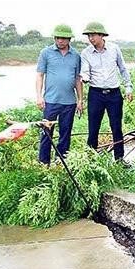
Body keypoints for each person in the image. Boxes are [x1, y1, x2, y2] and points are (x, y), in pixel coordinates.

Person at [80, 21, 133, 160]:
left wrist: (128, 87)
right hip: (95, 94)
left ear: (102, 35)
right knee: (93, 127)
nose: (91, 39)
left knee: (116, 127)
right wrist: (84, 77)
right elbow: (85, 70)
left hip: (114, 94)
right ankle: (91, 159)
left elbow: (122, 69)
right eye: (89, 36)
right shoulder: (85, 53)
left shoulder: (114, 49)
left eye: (93, 35)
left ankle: (119, 158)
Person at [35, 24, 82, 164]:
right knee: (46, 132)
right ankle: (44, 162)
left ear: (69, 39)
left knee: (65, 133)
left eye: (63, 38)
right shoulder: (46, 53)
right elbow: (40, 75)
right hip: (51, 101)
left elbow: (78, 79)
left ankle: (61, 161)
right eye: (57, 38)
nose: (60, 41)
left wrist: (80, 99)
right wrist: (39, 96)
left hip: (69, 102)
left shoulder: (76, 55)